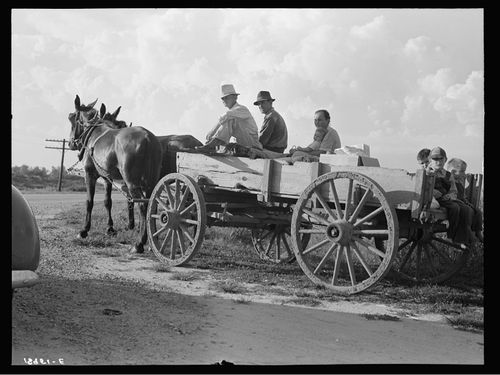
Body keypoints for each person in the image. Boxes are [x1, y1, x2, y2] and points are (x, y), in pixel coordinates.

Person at [427, 147, 475, 246]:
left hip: (445, 199)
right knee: (455, 207)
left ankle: (462, 237)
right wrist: (433, 192)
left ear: (445, 159)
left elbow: (454, 190)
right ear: (430, 160)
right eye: (435, 159)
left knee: (466, 209)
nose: (438, 162)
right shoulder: (427, 172)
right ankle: (450, 236)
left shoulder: (448, 175)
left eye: (441, 159)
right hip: (432, 200)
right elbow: (423, 187)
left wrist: (449, 196)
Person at [196, 84, 263, 152]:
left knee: (230, 119)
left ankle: (213, 145)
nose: (224, 100)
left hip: (252, 144)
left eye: (227, 97)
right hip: (242, 144)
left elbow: (226, 116)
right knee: (229, 120)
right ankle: (215, 144)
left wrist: (212, 132)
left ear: (235, 97)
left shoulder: (241, 109)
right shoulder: (233, 112)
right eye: (223, 98)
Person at [445, 157, 483, 242]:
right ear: (453, 172)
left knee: (478, 211)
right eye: (462, 171)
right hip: (454, 202)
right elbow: (450, 195)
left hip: (461, 202)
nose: (464, 174)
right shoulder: (448, 181)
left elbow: (463, 196)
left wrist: (466, 202)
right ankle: (467, 231)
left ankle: (478, 231)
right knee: (467, 211)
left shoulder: (459, 182)